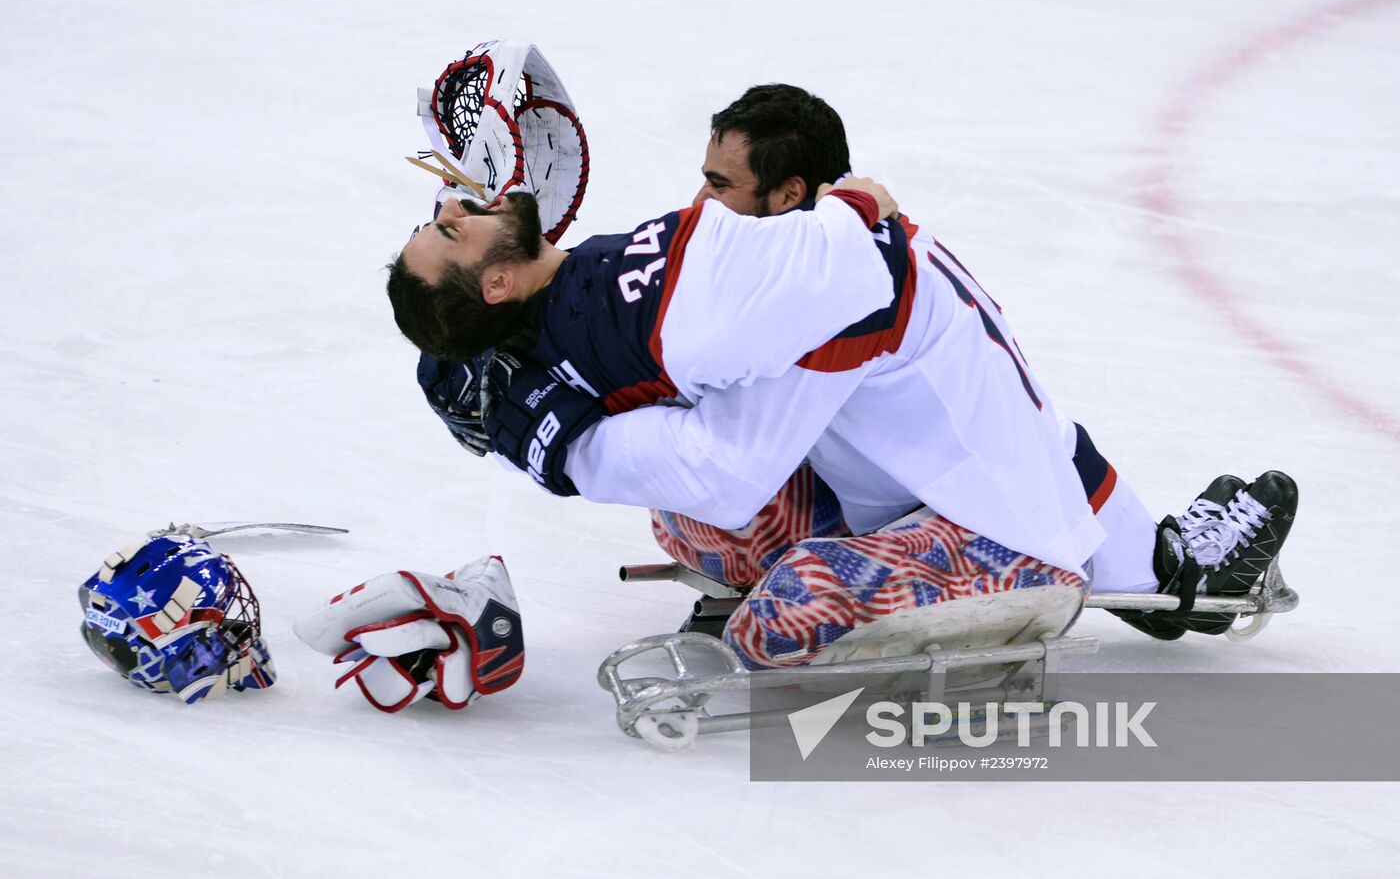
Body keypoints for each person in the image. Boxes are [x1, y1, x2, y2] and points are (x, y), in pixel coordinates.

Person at [409, 85, 1299, 646]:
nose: (698, 205)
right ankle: (1166, 565)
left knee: (781, 612)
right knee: (692, 516)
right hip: (930, 479)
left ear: (788, 199)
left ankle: (1149, 574)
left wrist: (561, 445)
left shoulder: (827, 294)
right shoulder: (784, 269)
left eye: (721, 186)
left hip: (1001, 530)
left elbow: (726, 470)